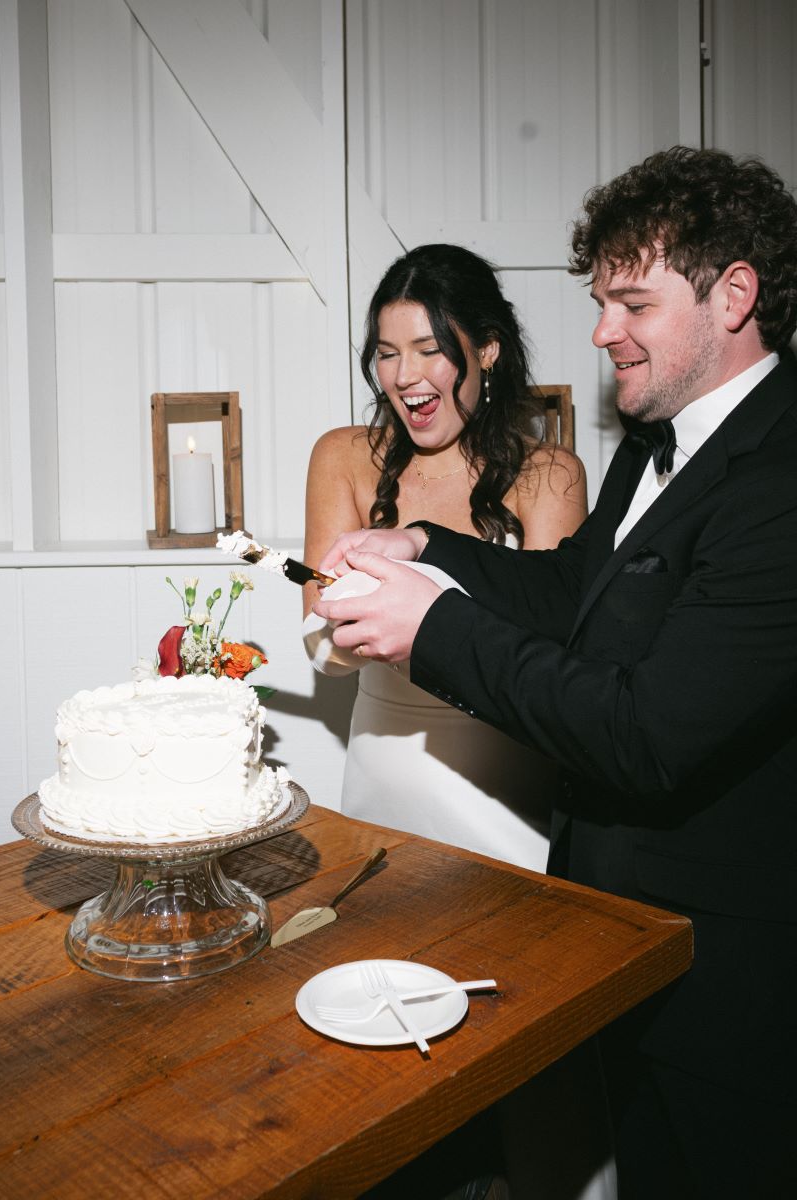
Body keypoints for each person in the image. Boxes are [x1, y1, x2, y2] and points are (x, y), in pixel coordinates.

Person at [312, 146, 797, 1199]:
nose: (598, 332)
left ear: (733, 296)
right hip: (619, 937)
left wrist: (430, 627)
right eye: (596, 301)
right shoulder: (653, 440)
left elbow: (647, 735)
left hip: (730, 982)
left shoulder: (779, 477)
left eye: (629, 302)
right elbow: (574, 586)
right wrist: (428, 553)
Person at [302, 242, 587, 870]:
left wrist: (418, 619)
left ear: (487, 349)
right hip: (383, 776)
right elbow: (322, 648)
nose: (405, 375)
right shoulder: (341, 457)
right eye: (387, 353)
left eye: (430, 350)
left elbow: (555, 650)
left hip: (507, 789)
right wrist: (347, 626)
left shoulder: (552, 475)